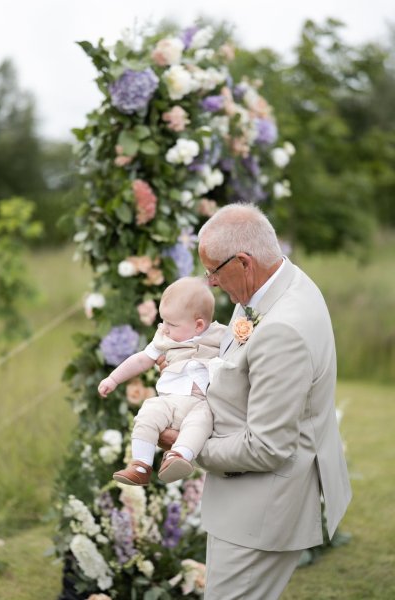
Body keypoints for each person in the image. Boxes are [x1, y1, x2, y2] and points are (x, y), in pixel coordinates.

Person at [159, 204, 352, 600]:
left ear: (243, 262)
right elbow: (240, 359)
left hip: (261, 508)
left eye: (214, 270)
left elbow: (268, 447)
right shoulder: (276, 283)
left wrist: (185, 446)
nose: (210, 282)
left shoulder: (283, 328)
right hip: (247, 501)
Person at [98, 276, 226, 486]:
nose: (164, 328)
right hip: (169, 400)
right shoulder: (164, 339)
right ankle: (140, 465)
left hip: (200, 403)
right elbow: (141, 360)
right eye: (163, 320)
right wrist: (113, 378)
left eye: (171, 323)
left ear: (198, 325)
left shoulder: (221, 335)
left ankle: (178, 457)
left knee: (201, 423)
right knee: (148, 412)